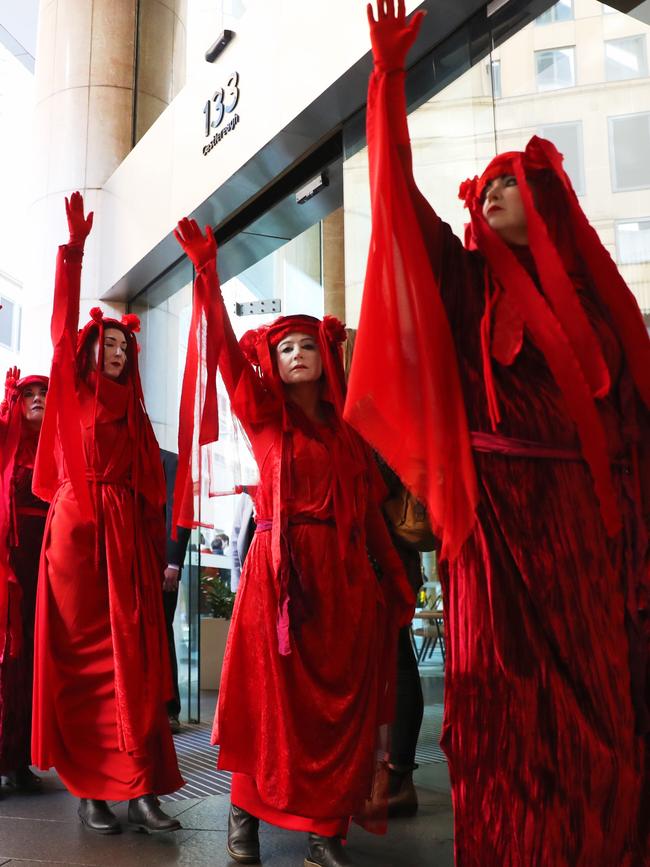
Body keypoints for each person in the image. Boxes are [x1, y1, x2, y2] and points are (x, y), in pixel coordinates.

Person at [345, 3, 650, 865]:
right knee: (497, 709)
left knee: (596, 699)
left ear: (548, 196)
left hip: (582, 532)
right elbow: (395, 206)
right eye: (487, 186)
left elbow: (630, 422)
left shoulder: (600, 305)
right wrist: (388, 82)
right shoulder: (465, 279)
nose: (494, 191)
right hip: (495, 534)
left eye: (511, 179)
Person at [173, 217, 415, 867]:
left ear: (326, 357)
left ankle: (324, 829)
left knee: (335, 716)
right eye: (285, 348)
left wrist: (394, 581)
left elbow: (367, 519)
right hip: (277, 583)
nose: (298, 353)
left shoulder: (348, 438)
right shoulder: (263, 417)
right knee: (269, 708)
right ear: (274, 364)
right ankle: (243, 813)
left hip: (342, 589)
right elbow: (225, 352)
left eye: (308, 344)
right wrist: (205, 275)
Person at [31, 192, 184, 835]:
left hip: (126, 549)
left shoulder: (139, 418)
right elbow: (63, 328)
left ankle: (143, 788)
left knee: (139, 665)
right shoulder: (71, 393)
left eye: (125, 344)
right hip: (76, 544)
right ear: (93, 351)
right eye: (109, 342)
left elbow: (155, 492)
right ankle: (93, 791)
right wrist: (73, 254)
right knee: (87, 672)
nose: (117, 351)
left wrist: (162, 558)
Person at [0, 368, 49, 794]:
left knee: (34, 660)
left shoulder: (61, 447)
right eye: (28, 393)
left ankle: (18, 760)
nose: (36, 398)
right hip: (8, 563)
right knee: (7, 659)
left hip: (48, 564)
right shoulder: (4, 440)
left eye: (43, 393)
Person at [160, 448, 192, 734]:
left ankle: (170, 709)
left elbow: (179, 511)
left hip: (161, 567)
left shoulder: (170, 462)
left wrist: (173, 561)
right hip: (128, 563)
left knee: (161, 630)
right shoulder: (122, 464)